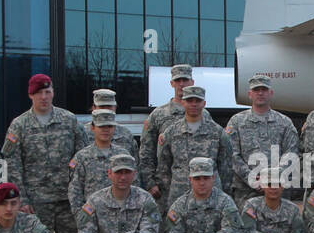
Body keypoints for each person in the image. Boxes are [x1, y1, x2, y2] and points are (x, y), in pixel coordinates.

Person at [1, 74, 88, 233]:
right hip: (37, 202)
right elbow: (12, 165)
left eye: (47, 92)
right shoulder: (19, 125)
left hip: (68, 200)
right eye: (39, 93)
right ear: (31, 95)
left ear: (53, 93)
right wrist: (21, 200)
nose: (44, 97)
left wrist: (81, 195)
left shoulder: (68, 120)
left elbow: (83, 157)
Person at [225, 73, 300, 206]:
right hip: (246, 191)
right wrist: (251, 178)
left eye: (264, 90)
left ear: (271, 93)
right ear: (250, 94)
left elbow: (291, 154)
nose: (260, 93)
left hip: (277, 191)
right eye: (256, 90)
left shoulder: (284, 122)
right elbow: (232, 155)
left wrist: (272, 179)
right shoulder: (236, 122)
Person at [139, 64, 210, 204]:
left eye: (185, 80)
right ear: (172, 83)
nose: (181, 84)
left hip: (199, 186)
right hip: (167, 187)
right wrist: (150, 183)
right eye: (178, 80)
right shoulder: (158, 115)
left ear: (192, 82)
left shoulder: (205, 115)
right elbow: (146, 151)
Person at [68, 108, 123, 216]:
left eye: (109, 126)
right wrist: (82, 217)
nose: (105, 130)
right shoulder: (82, 157)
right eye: (101, 126)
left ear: (114, 128)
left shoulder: (122, 155)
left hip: (119, 216)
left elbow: (133, 186)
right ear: (92, 128)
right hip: (92, 217)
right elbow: (75, 191)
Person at [91, 88, 140, 168]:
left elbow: (135, 165)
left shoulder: (126, 134)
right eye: (102, 106)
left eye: (109, 106)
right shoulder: (83, 132)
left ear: (115, 107)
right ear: (94, 108)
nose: (106, 110)